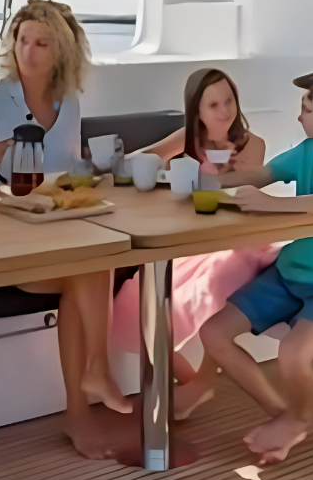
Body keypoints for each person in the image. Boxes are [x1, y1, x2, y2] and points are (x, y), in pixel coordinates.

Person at [0, 0, 126, 459]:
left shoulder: (68, 100)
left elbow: (68, 171)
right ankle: (92, 383)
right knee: (91, 266)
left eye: (42, 44)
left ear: (61, 52)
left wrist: (97, 169)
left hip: (55, 228)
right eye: (23, 40)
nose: (27, 52)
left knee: (92, 263)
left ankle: (83, 401)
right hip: (3, 233)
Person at [198, 67, 313, 464]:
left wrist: (275, 204)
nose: (299, 116)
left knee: (293, 355)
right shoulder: (307, 152)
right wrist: (206, 178)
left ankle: (296, 419)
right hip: (289, 272)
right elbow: (262, 174)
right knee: (213, 334)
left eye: (307, 108)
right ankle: (283, 415)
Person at [108, 67, 273, 419]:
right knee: (135, 303)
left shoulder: (252, 145)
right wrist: (148, 165)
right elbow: (143, 158)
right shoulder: (189, 139)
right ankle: (194, 382)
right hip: (195, 242)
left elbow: (242, 193)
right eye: (213, 104)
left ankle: (200, 384)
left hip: (240, 242)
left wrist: (222, 172)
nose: (225, 111)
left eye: (229, 101)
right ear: (196, 111)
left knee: (220, 273)